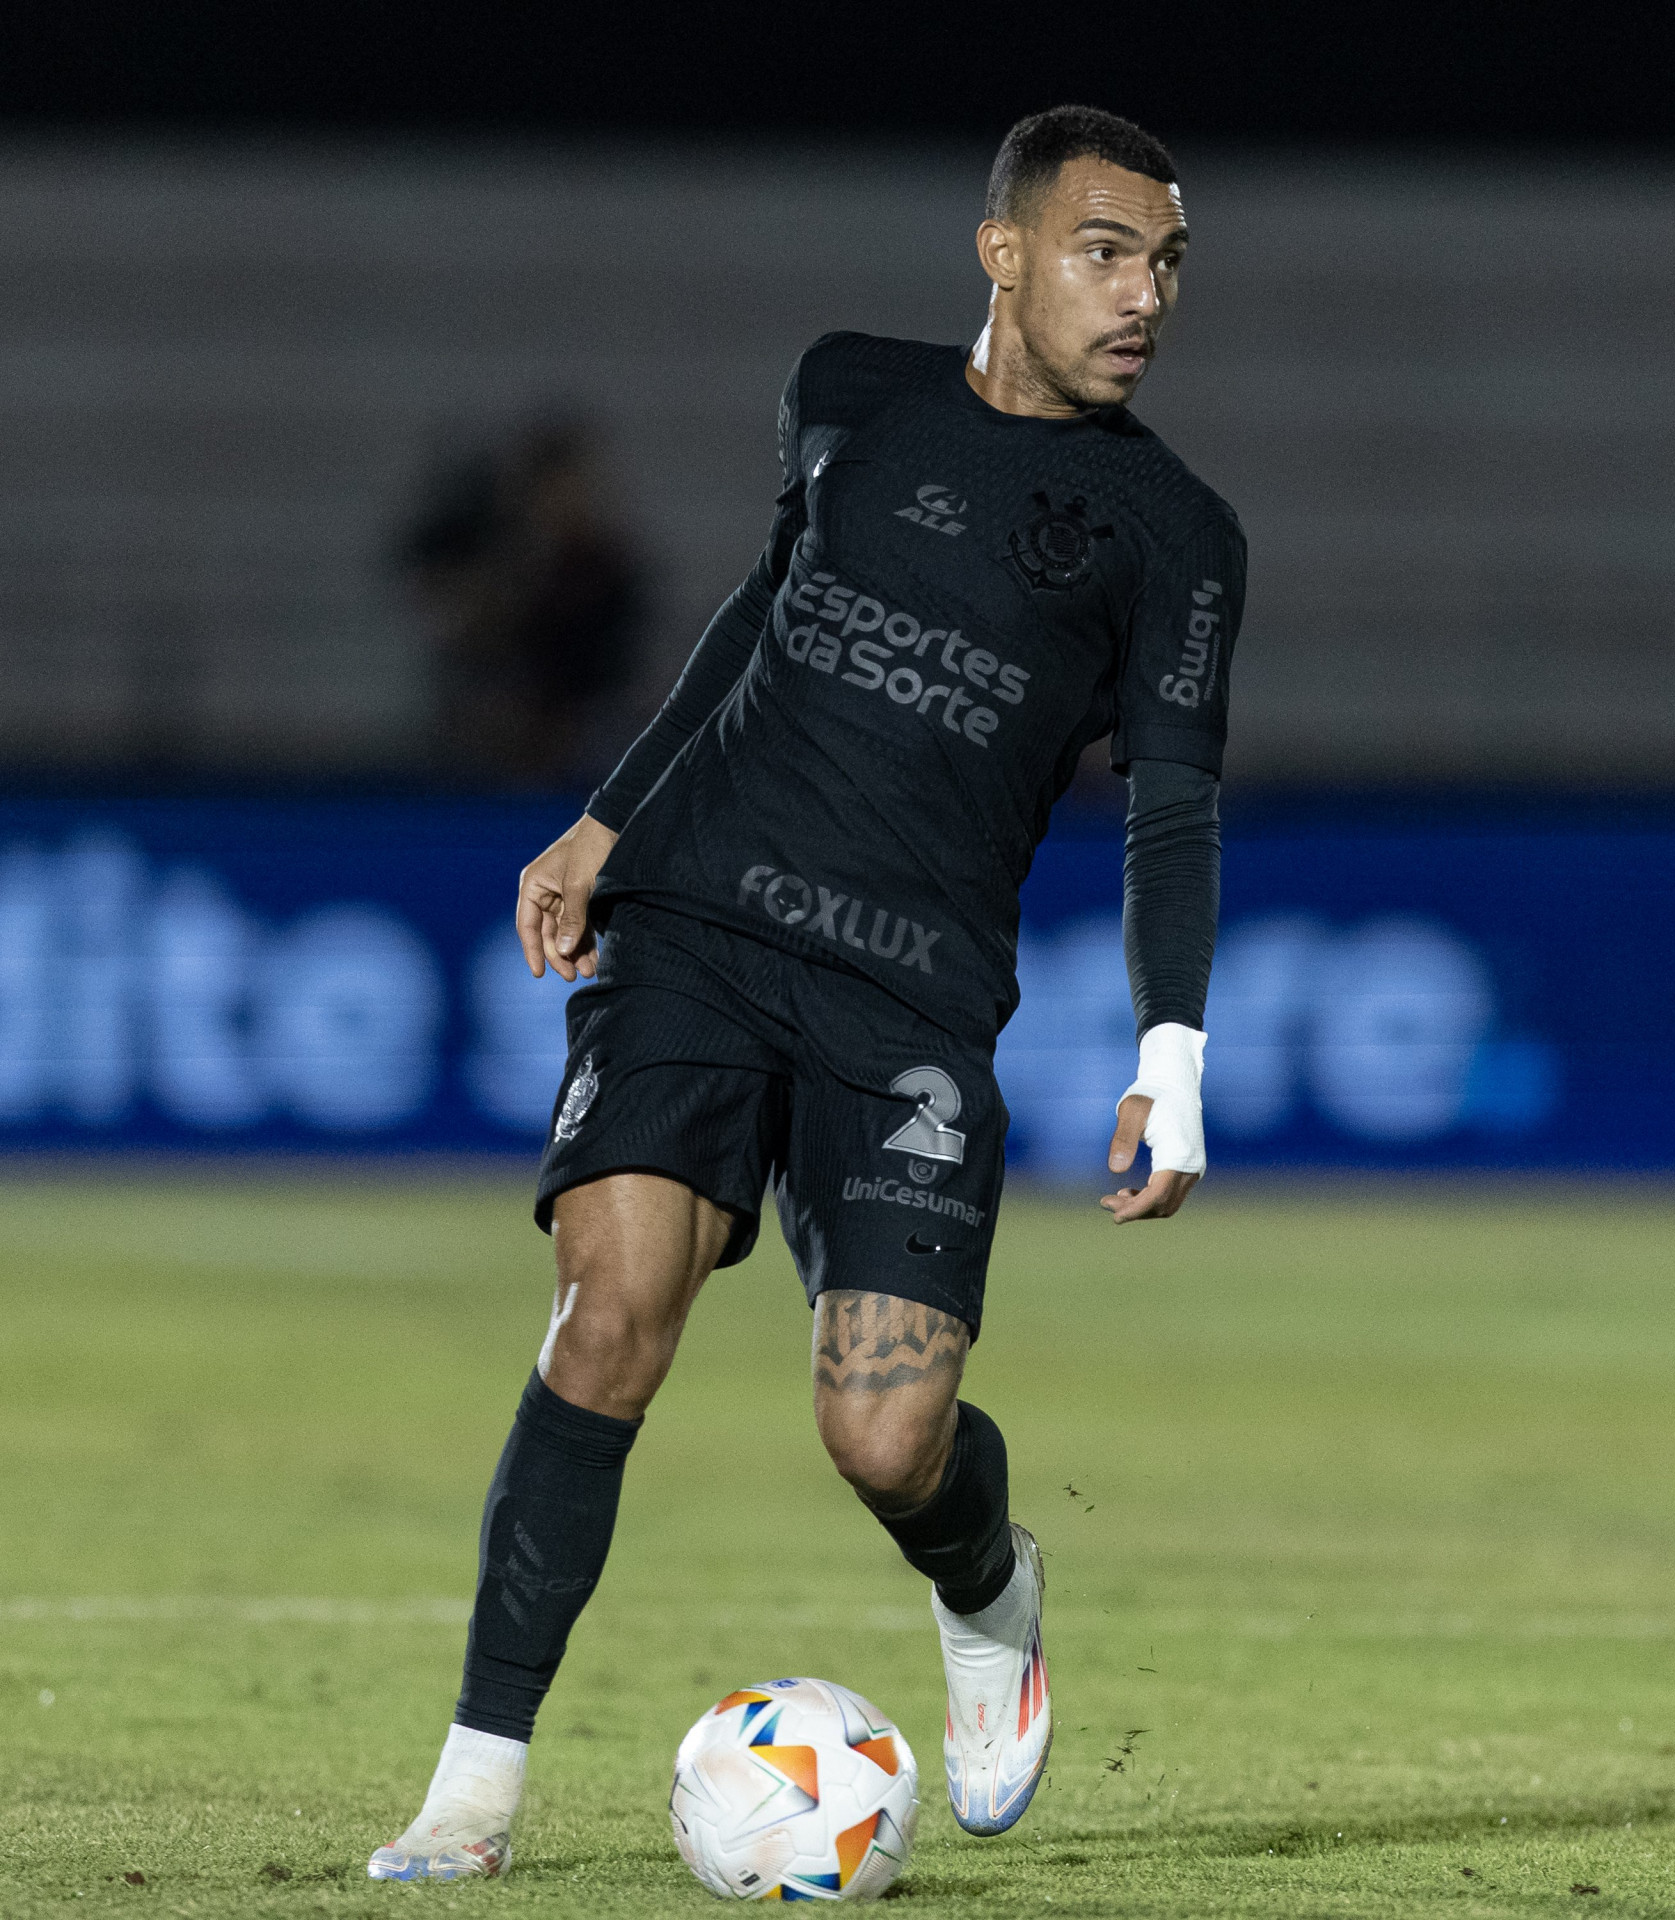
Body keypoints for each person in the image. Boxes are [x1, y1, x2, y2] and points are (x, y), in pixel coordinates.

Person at [369, 103, 1244, 1881]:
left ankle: (989, 1590)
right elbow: (765, 611)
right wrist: (609, 817)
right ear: (1000, 252)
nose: (1140, 290)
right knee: (607, 1317)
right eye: (1102, 250)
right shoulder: (846, 386)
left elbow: (1170, 800)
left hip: (909, 1005)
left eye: (1162, 261)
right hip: (697, 929)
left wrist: (1174, 1056)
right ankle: (470, 1792)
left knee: (882, 1428)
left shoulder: (1176, 532)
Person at [397, 413, 647, 789]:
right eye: (551, 489)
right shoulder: (490, 553)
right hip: (481, 746)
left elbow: (613, 662)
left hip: (580, 748)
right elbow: (457, 627)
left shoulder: (602, 569)